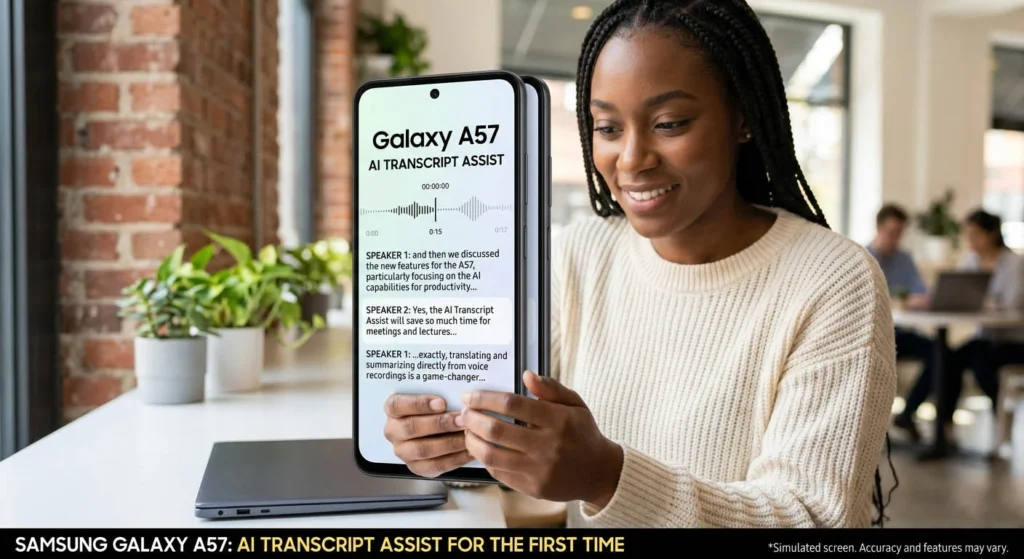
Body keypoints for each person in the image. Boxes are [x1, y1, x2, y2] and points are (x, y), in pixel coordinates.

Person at [380, 0, 897, 528]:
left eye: (669, 123)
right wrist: (447, 441)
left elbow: (812, 517)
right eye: (607, 127)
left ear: (742, 116)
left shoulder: (834, 279)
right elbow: (508, 435)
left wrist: (607, 477)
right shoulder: (578, 255)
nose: (631, 159)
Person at [941, 210, 1024, 425]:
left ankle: (1004, 417)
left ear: (992, 234)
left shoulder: (1015, 263)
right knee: (948, 360)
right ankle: (944, 427)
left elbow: (1013, 304)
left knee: (981, 363)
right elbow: (958, 294)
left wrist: (983, 302)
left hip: (1013, 340)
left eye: (976, 235)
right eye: (968, 236)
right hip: (984, 338)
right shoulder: (971, 261)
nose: (971, 241)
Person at [867, 204, 935, 442]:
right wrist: (901, 298)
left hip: (900, 332)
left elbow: (922, 294)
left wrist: (903, 298)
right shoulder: (864, 258)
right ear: (878, 229)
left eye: (900, 233)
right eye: (891, 232)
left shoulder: (905, 259)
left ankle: (908, 414)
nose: (896, 238)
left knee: (940, 352)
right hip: (872, 336)